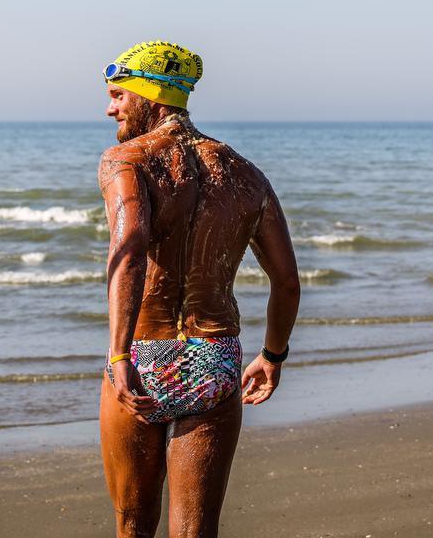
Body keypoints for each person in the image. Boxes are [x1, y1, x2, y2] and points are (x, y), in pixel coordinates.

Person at [97, 40, 301, 538]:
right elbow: (287, 281)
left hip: (143, 357)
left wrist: (119, 355)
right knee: (196, 532)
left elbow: (130, 249)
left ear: (152, 96)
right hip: (213, 359)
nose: (110, 108)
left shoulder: (126, 160)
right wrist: (273, 356)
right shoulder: (245, 174)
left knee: (133, 525)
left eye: (119, 95)